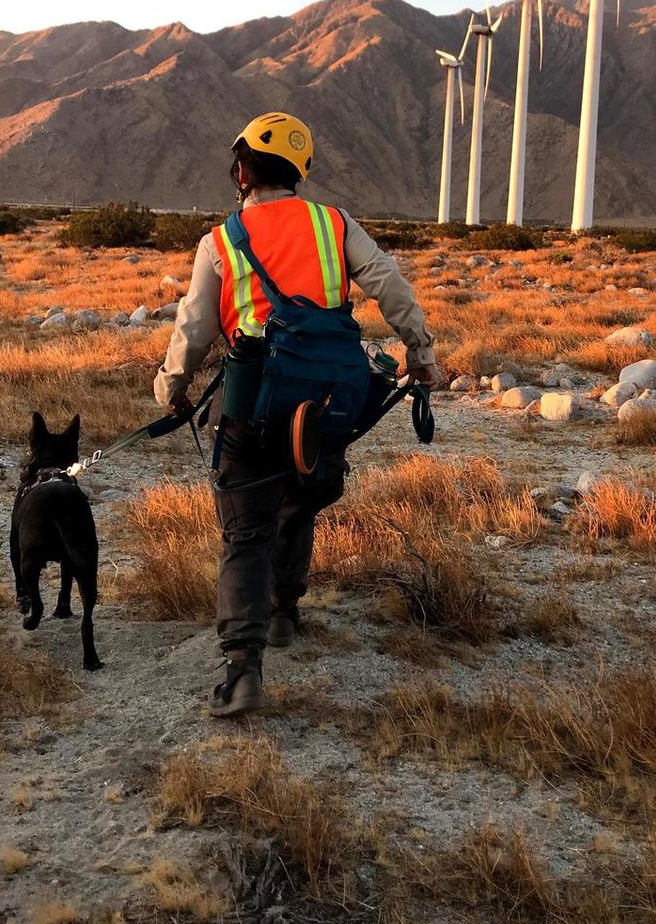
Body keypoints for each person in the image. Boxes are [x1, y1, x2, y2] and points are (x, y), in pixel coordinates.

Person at [154, 112, 445, 717]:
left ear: (243, 171)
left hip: (253, 404)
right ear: (299, 172)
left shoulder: (222, 240)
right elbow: (388, 284)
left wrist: (171, 388)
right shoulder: (334, 224)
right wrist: (420, 353)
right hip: (328, 404)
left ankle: (241, 671)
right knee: (300, 491)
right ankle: (286, 611)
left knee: (246, 531)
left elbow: (195, 330)